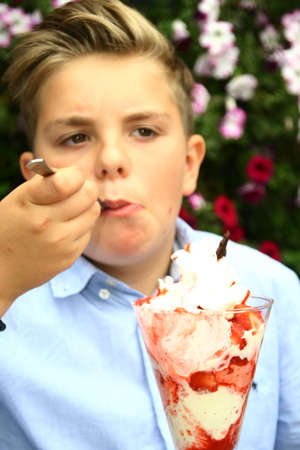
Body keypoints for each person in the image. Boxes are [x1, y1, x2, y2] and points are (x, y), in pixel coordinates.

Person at [0, 0, 299, 449]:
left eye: (143, 131)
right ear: (36, 174)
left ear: (190, 163)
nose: (112, 161)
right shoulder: (10, 304)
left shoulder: (273, 290)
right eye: (76, 137)